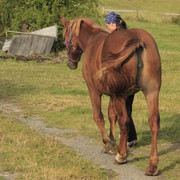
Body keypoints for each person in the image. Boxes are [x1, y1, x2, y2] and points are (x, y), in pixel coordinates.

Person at [105, 12, 137, 148]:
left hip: (122, 77)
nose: (107, 28)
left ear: (113, 24)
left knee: (123, 108)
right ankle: (131, 137)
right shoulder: (127, 34)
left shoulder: (115, 38)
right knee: (128, 106)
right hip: (133, 76)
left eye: (108, 25)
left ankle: (130, 137)